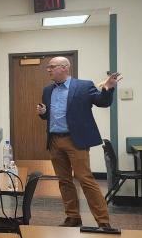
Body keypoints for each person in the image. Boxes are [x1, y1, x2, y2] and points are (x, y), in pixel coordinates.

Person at [37, 56, 120, 229]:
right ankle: (73, 216)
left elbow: (102, 102)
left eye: (52, 67)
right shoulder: (47, 90)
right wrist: (43, 112)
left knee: (85, 179)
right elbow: (47, 115)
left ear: (65, 68)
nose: (49, 70)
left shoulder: (83, 86)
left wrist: (108, 89)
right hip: (54, 140)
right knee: (64, 181)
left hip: (75, 141)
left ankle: (103, 221)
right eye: (48, 67)